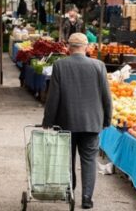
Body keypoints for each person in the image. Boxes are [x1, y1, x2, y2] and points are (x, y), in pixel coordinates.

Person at [42, 33, 112, 209]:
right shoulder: (99, 66)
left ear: (68, 47)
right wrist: (107, 119)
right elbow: (106, 97)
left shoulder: (60, 65)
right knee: (89, 160)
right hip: (91, 122)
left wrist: (48, 120)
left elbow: (53, 97)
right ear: (87, 47)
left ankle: (69, 192)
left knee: (67, 158)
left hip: (66, 121)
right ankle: (87, 197)